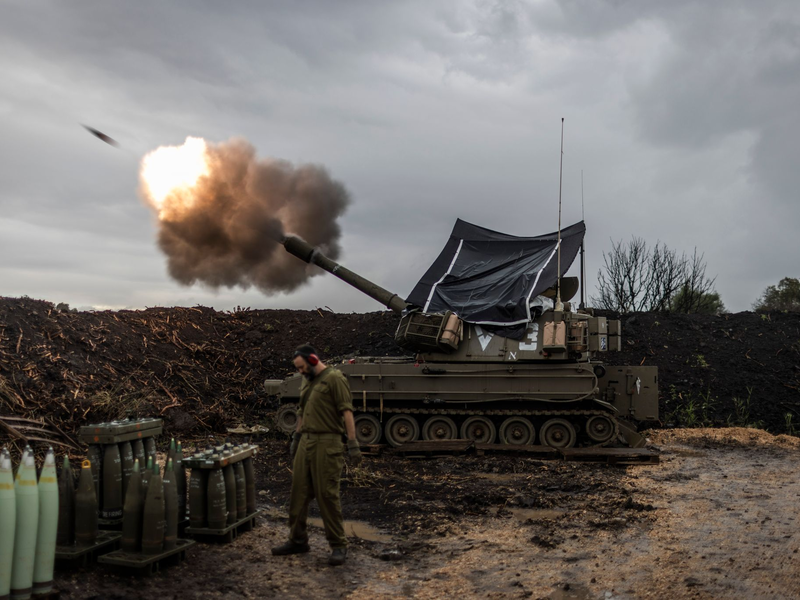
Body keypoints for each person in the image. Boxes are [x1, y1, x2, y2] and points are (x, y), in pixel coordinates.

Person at [271, 344, 363, 566]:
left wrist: (352, 443)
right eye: (298, 369)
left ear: (313, 360)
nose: (300, 372)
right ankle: (298, 540)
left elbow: (347, 411)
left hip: (328, 442)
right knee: (298, 492)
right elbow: (302, 411)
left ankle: (338, 545)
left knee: (326, 495)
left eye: (302, 367)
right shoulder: (307, 380)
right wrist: (296, 438)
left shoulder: (334, 378)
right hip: (307, 442)